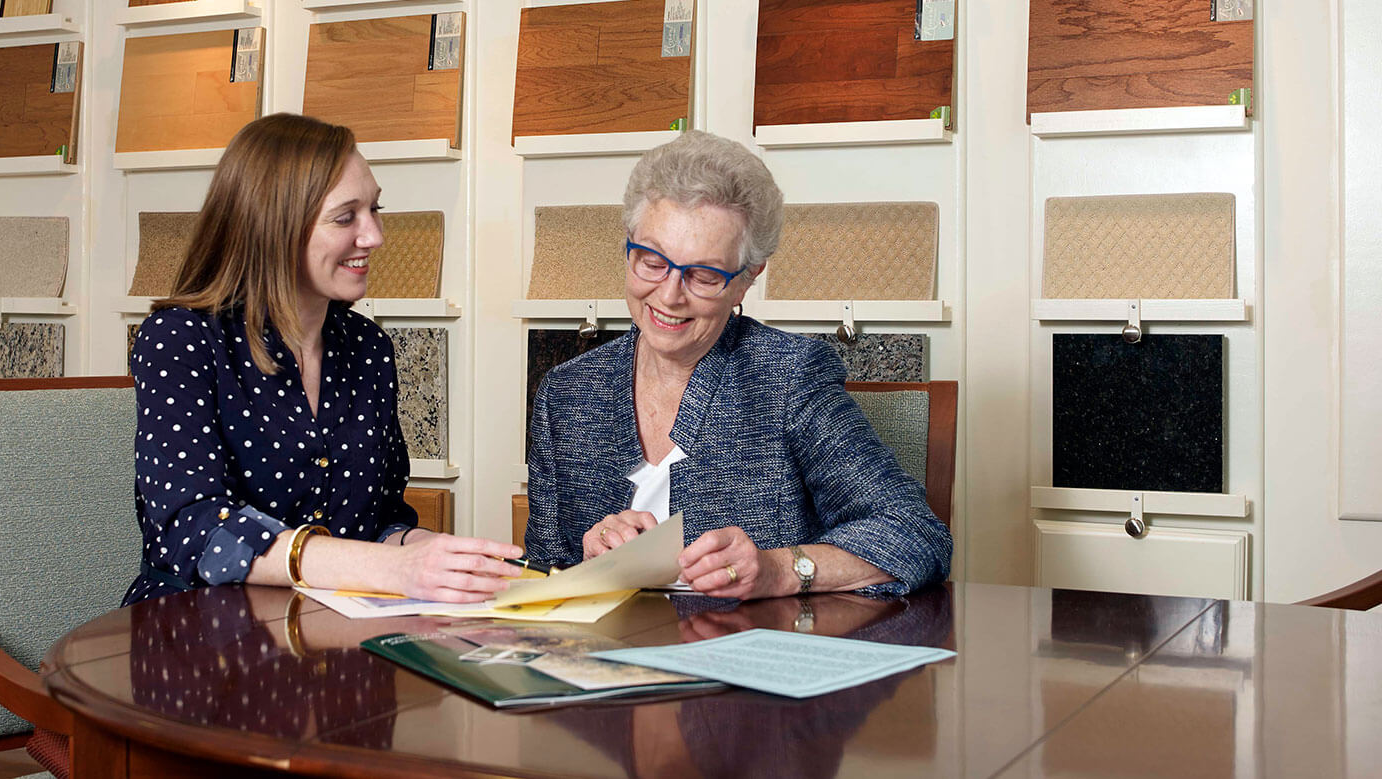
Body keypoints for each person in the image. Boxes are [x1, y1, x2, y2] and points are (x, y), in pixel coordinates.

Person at [524, 130, 952, 598]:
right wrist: (589, 560)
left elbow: (916, 534)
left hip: (752, 658)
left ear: (748, 278)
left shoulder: (790, 377)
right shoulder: (565, 393)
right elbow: (544, 572)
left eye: (704, 274)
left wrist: (780, 569)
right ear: (628, 245)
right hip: (611, 664)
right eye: (651, 261)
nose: (669, 296)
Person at [123, 113, 521, 606]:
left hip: (335, 632)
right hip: (201, 639)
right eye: (345, 217)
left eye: (376, 210)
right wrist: (392, 568)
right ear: (273, 225)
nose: (374, 236)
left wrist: (431, 551)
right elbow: (194, 526)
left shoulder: (368, 348)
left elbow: (379, 520)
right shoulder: (181, 338)